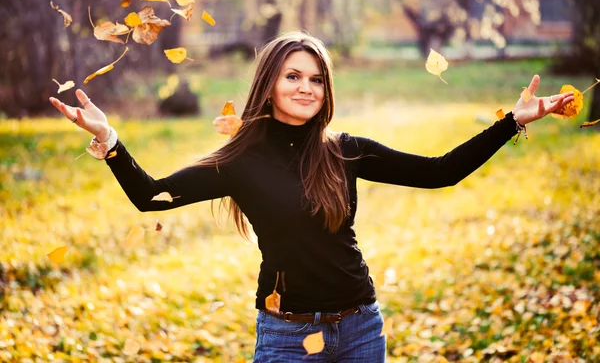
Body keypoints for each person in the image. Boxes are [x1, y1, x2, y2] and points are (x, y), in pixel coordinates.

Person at [49, 31, 574, 362]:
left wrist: (511, 121)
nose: (306, 87)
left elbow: (439, 173)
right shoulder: (240, 162)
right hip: (286, 336)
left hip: (361, 329)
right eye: (293, 76)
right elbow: (153, 196)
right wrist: (107, 139)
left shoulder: (345, 151)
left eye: (317, 79)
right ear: (269, 84)